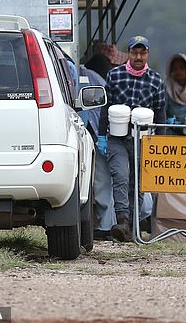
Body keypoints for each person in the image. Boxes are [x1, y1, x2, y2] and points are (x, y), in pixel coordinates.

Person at [97, 35, 166, 242]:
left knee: (137, 182)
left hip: (143, 139)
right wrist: (102, 135)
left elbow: (160, 113)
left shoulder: (155, 80)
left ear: (147, 54)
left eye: (142, 53)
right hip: (118, 137)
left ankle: (133, 226)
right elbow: (105, 107)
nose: (138, 57)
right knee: (120, 175)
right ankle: (123, 220)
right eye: (134, 52)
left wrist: (160, 143)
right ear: (128, 53)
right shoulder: (115, 75)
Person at [80, 54, 116, 240]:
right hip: (100, 133)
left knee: (103, 180)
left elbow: (101, 110)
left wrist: (101, 136)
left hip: (97, 133)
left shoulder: (85, 76)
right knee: (112, 179)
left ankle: (107, 225)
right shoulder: (96, 77)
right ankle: (112, 223)